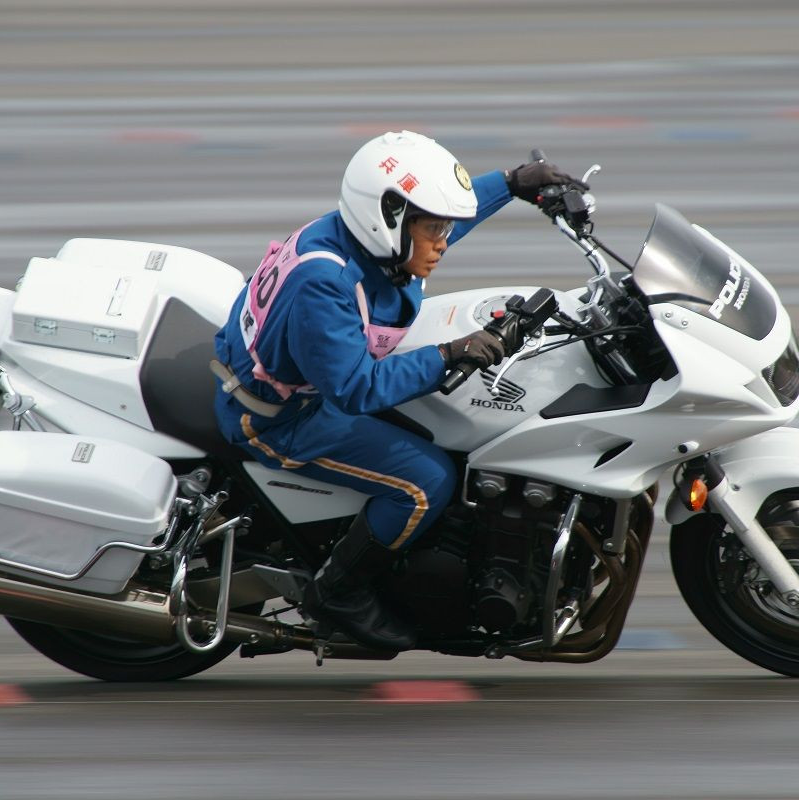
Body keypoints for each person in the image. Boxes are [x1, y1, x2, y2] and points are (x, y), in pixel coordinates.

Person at [213, 131, 586, 650]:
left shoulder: (370, 241)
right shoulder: (326, 282)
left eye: (443, 228)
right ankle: (337, 591)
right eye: (434, 230)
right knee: (427, 480)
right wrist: (449, 354)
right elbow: (354, 389)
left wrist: (512, 184)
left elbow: (436, 221)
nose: (443, 242)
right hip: (279, 417)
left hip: (313, 383)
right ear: (387, 219)